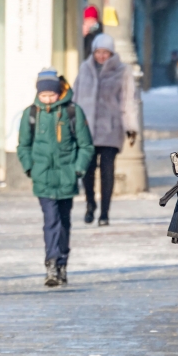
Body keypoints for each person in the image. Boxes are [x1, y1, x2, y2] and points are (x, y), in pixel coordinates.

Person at [17, 69, 94, 287]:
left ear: (59, 92)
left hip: (67, 177)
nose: (48, 99)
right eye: (44, 95)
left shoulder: (72, 111)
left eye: (51, 95)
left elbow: (86, 146)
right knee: (51, 221)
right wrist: (30, 169)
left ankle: (62, 263)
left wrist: (77, 171)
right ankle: (51, 263)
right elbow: (23, 145)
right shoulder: (31, 114)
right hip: (42, 178)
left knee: (64, 222)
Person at [73, 33, 140, 226]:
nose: (101, 56)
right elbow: (76, 98)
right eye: (98, 52)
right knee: (87, 170)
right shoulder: (84, 69)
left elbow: (129, 100)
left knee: (107, 172)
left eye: (105, 52)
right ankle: (90, 205)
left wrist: (131, 127)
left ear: (111, 53)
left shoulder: (122, 71)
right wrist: (73, 125)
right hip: (86, 129)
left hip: (111, 127)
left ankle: (104, 213)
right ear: (93, 51)